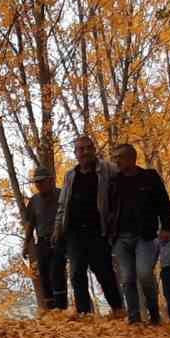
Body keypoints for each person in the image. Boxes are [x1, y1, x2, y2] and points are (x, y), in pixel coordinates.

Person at [54, 135, 124, 317]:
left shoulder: (108, 170)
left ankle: (118, 309)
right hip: (74, 232)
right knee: (77, 272)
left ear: (94, 149)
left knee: (104, 271)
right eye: (80, 149)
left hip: (98, 231)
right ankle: (84, 312)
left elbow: (120, 195)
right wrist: (58, 229)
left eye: (88, 148)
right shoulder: (71, 175)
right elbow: (63, 204)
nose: (85, 152)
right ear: (75, 153)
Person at [104, 143, 170, 324]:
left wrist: (166, 227)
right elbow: (108, 209)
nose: (116, 161)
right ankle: (134, 319)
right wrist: (109, 233)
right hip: (120, 238)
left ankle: (154, 314)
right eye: (114, 157)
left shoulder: (150, 177)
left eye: (119, 157)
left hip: (145, 236)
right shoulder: (114, 182)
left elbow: (164, 204)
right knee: (127, 278)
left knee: (144, 274)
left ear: (131, 158)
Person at [21, 165, 67, 311]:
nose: (39, 185)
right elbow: (30, 224)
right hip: (42, 242)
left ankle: (61, 309)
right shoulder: (34, 201)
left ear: (50, 180)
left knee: (57, 273)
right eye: (36, 182)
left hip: (60, 241)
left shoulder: (62, 196)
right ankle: (50, 309)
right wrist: (26, 245)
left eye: (41, 181)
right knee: (44, 275)